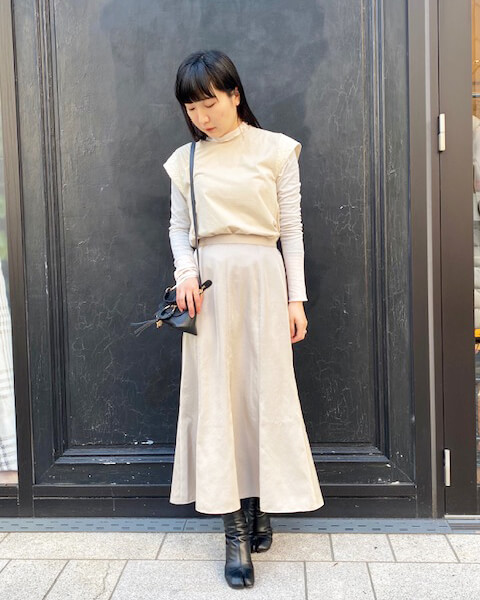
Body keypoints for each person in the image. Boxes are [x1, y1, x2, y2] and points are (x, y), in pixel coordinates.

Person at [162, 49, 324, 589]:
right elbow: (178, 228)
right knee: (218, 400)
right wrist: (186, 273)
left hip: (263, 278)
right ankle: (234, 531)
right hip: (210, 289)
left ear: (235, 94)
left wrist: (295, 300)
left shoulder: (277, 150)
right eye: (191, 107)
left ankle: (260, 505)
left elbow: (292, 230)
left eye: (209, 102)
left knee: (263, 395)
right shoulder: (185, 160)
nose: (202, 116)